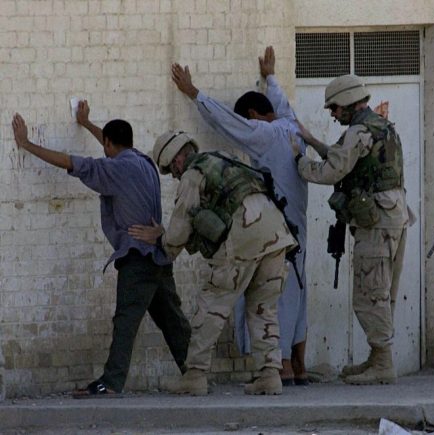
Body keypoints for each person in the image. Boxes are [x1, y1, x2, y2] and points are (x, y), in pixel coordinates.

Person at [11, 105, 191, 398]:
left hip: (137, 258)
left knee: (126, 320)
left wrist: (27, 144)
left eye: (105, 142)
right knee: (173, 321)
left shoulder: (115, 169)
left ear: (108, 143)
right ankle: (196, 372)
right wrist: (87, 123)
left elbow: (71, 162)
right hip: (159, 255)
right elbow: (112, 147)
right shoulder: (143, 162)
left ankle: (112, 382)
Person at [170, 46, 310, 385]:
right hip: (294, 227)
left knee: (272, 298)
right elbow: (282, 104)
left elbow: (228, 123)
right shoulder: (291, 127)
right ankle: (296, 366)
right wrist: (271, 77)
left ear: (252, 115)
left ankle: (282, 366)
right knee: (296, 290)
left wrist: (194, 93)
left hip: (272, 226)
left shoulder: (265, 134)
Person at [128, 131, 296, 395]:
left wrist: (161, 240)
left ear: (176, 160)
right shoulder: (223, 158)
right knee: (263, 308)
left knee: (211, 307)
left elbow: (179, 230)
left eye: (171, 170)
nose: (174, 176)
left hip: (243, 239)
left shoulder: (193, 176)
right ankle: (270, 375)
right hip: (277, 234)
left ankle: (195, 375)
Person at [292, 74, 410, 385]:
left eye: (334, 107)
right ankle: (377, 356)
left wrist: (299, 162)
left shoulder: (359, 132)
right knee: (380, 292)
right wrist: (311, 140)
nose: (333, 114)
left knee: (370, 295)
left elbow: (332, 171)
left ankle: (383, 363)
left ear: (347, 102)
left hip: (377, 222)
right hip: (391, 216)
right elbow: (341, 156)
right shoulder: (379, 126)